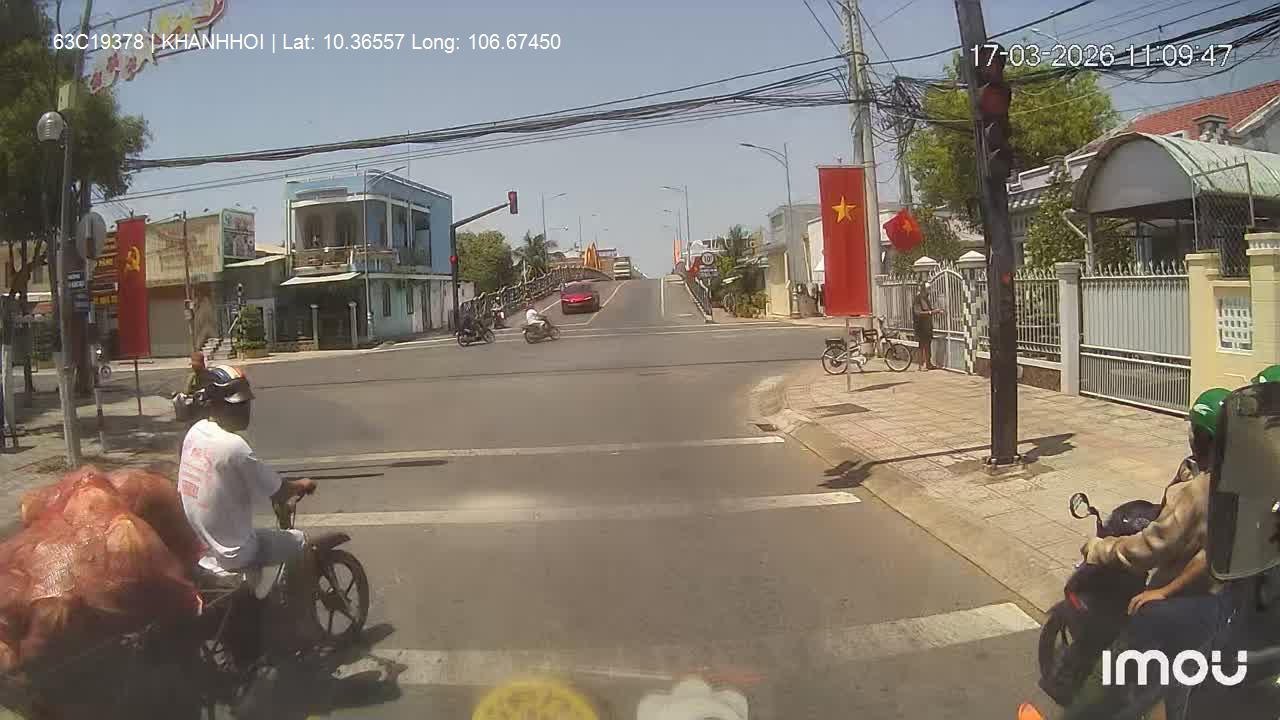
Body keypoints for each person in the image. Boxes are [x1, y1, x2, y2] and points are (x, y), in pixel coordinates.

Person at [1060, 387, 1233, 720]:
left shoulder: (1201, 491)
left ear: (1201, 437)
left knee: (1120, 652)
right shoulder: (1243, 478)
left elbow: (1150, 548)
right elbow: (1212, 547)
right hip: (1229, 595)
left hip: (1195, 597)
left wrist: (1101, 549)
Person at [178, 365, 321, 651]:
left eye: (245, 404)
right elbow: (280, 490)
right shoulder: (234, 447)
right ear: (215, 405)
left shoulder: (196, 432)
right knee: (301, 542)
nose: (244, 411)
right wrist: (303, 484)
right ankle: (304, 624)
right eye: (235, 405)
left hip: (202, 544)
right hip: (234, 552)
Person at [911, 283, 943, 371]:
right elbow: (917, 312)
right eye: (928, 288)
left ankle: (928, 363)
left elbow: (930, 310)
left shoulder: (926, 299)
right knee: (921, 345)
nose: (929, 290)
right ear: (923, 290)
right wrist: (931, 312)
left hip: (928, 326)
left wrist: (936, 311)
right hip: (920, 326)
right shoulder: (917, 299)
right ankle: (921, 365)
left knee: (928, 344)